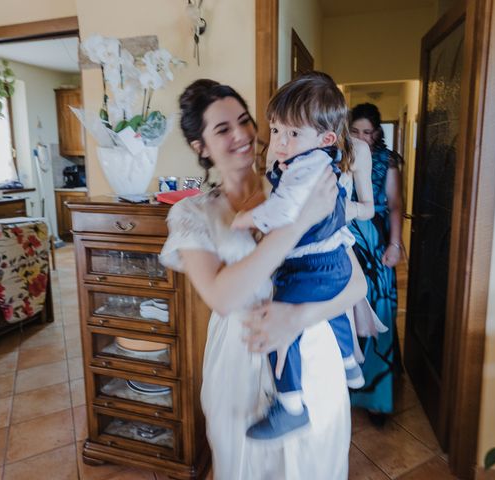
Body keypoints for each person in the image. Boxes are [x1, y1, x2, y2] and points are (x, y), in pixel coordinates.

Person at [159, 79, 367, 479]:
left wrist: (296, 319)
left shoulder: (302, 181)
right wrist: (296, 224)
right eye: (222, 129)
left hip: (310, 354)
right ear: (200, 147)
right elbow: (223, 295)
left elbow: (356, 284)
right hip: (238, 362)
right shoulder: (193, 215)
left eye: (244, 120)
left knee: (315, 465)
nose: (240, 135)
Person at [231, 71, 365, 440]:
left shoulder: (306, 172)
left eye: (292, 133)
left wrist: (246, 220)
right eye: (275, 131)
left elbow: (283, 212)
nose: (281, 142)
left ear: (324, 137)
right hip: (326, 265)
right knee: (330, 308)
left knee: (277, 334)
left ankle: (291, 405)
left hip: (312, 270)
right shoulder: (304, 166)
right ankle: (351, 360)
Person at [347, 102, 404, 425]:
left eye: (367, 132)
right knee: (347, 315)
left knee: (378, 314)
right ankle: (345, 387)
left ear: (377, 134)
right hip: (345, 240)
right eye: (355, 131)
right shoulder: (337, 157)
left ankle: (375, 398)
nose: (361, 138)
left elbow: (395, 205)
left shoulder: (386, 161)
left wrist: (395, 244)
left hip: (377, 240)